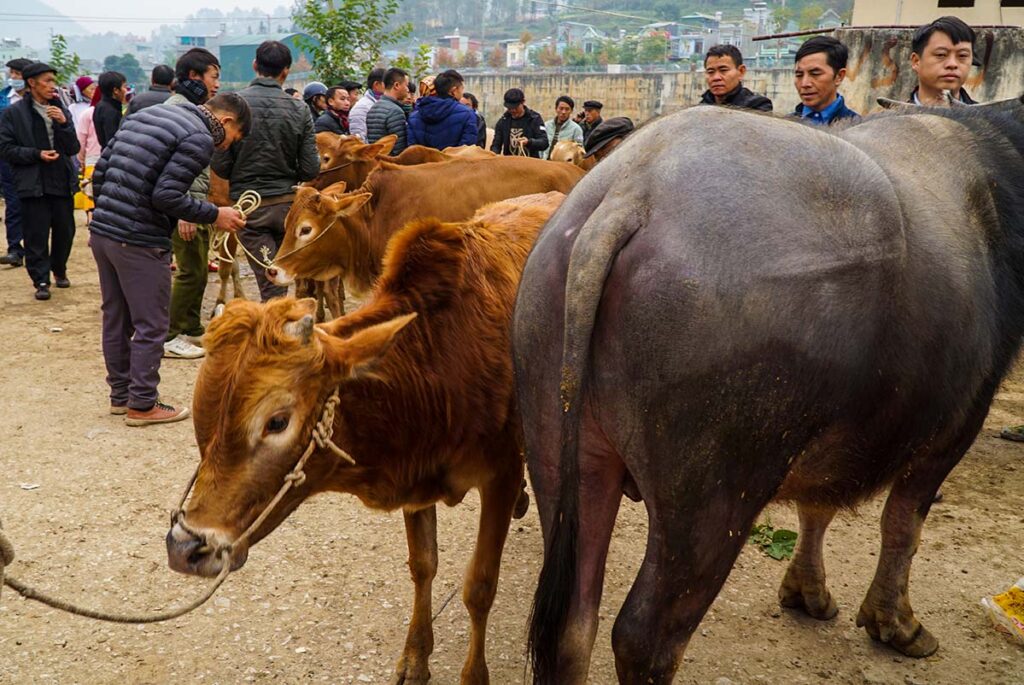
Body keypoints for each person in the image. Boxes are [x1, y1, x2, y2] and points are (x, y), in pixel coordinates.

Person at [90, 92, 249, 425]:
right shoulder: (198, 137)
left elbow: (101, 171)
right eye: (235, 138)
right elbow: (166, 195)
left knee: (116, 317)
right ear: (227, 122)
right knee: (152, 323)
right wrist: (214, 214)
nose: (227, 146)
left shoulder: (145, 116)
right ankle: (143, 404)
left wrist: (110, 215)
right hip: (139, 240)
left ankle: (121, 396)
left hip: (104, 231)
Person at [211, 40, 319, 302]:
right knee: (279, 284)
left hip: (249, 211)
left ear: (255, 66)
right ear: (286, 71)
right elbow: (310, 168)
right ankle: (279, 336)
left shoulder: (231, 108)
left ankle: (274, 337)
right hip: (288, 210)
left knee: (271, 285)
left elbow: (221, 166)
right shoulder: (299, 109)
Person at [161, 47, 223, 360]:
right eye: (213, 77)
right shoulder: (179, 112)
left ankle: (190, 325)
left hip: (193, 204)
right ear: (193, 77)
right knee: (188, 271)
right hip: (184, 207)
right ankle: (169, 335)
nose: (217, 85)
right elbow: (177, 170)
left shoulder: (191, 110)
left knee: (198, 270)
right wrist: (184, 211)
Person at [0, 62, 80, 300]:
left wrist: (64, 124)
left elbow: (73, 147)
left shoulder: (60, 109)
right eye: (47, 81)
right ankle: (41, 280)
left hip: (61, 180)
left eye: (54, 81)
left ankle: (59, 269)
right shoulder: (13, 114)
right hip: (32, 182)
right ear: (31, 83)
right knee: (36, 234)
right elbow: (6, 149)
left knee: (65, 230)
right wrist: (36, 154)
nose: (52, 87)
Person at [0, 58, 31, 267]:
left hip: (33, 158)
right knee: (13, 203)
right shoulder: (3, 98)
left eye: (17, 74)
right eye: (11, 73)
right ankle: (14, 248)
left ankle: (34, 246)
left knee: (34, 204)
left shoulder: (41, 100)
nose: (13, 78)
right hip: (8, 159)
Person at [908, 16, 977, 106]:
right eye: (941, 55)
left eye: (962, 55)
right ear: (916, 61)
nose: (952, 64)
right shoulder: (892, 119)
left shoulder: (989, 119)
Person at [793, 36, 859, 125]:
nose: (805, 84)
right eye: (799, 75)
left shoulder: (858, 128)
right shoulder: (784, 126)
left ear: (839, 76)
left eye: (815, 74)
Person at [407, 69, 477, 151]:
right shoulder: (467, 114)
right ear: (453, 91)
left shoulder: (414, 117)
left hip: (423, 163)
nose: (462, 92)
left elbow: (412, 151)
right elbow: (466, 151)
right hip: (453, 163)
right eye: (461, 88)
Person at [699, 44, 773, 112]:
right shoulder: (701, 107)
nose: (716, 78)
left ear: (741, 71)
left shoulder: (757, 106)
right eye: (711, 72)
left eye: (723, 70)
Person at [490, 88, 547, 158]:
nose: (513, 110)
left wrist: (529, 142)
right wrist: (494, 156)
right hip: (509, 163)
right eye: (509, 108)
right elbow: (496, 145)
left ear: (523, 102)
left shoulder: (534, 119)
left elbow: (544, 143)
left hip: (530, 163)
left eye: (516, 107)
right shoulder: (503, 121)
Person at [366, 67, 410, 154]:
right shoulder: (395, 111)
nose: (407, 90)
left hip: (376, 160)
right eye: (406, 85)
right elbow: (399, 149)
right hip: (390, 163)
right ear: (396, 85)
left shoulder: (373, 107)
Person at [349, 67, 385, 142]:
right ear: (376, 84)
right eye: (387, 83)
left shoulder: (382, 102)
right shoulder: (362, 107)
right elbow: (358, 140)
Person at [93, 70, 127, 148]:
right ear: (116, 90)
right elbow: (112, 140)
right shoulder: (110, 111)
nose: (126, 91)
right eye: (124, 87)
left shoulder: (100, 105)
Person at [543, 95, 584, 159]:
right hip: (544, 163)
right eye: (561, 108)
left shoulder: (576, 129)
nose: (563, 112)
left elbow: (579, 152)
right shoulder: (546, 125)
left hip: (562, 166)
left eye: (567, 109)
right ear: (556, 109)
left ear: (571, 111)